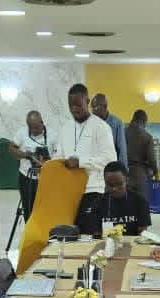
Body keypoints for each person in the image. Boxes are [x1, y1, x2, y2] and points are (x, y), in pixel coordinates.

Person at [54, 83, 116, 236]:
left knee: (89, 236)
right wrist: (51, 165)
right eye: (71, 105)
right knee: (68, 236)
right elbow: (59, 156)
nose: (74, 109)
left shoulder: (101, 127)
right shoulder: (65, 128)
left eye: (78, 105)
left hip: (93, 191)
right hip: (69, 192)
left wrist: (81, 161)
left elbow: (110, 160)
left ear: (87, 101)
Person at [9, 110, 56, 221]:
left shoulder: (53, 134)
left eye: (36, 127)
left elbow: (59, 155)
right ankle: (29, 230)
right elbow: (11, 148)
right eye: (31, 128)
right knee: (28, 210)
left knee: (46, 210)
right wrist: (25, 154)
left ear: (42, 122)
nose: (34, 130)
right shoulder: (22, 133)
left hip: (46, 179)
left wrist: (47, 162)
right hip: (26, 178)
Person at [93, 161, 151, 236]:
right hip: (107, 242)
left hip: (132, 242)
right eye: (110, 185)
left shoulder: (140, 202)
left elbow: (142, 235)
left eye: (119, 184)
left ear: (127, 181)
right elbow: (97, 235)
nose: (114, 189)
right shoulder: (98, 203)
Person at [125, 109, 158, 199]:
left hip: (124, 173)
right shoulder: (147, 137)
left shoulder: (122, 133)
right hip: (140, 175)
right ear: (144, 121)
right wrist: (156, 172)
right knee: (141, 204)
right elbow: (151, 158)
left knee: (125, 203)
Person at [91, 93, 127, 167]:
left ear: (105, 107)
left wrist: (123, 169)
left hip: (111, 167)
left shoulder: (117, 123)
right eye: (92, 107)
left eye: (96, 107)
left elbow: (122, 149)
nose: (93, 111)